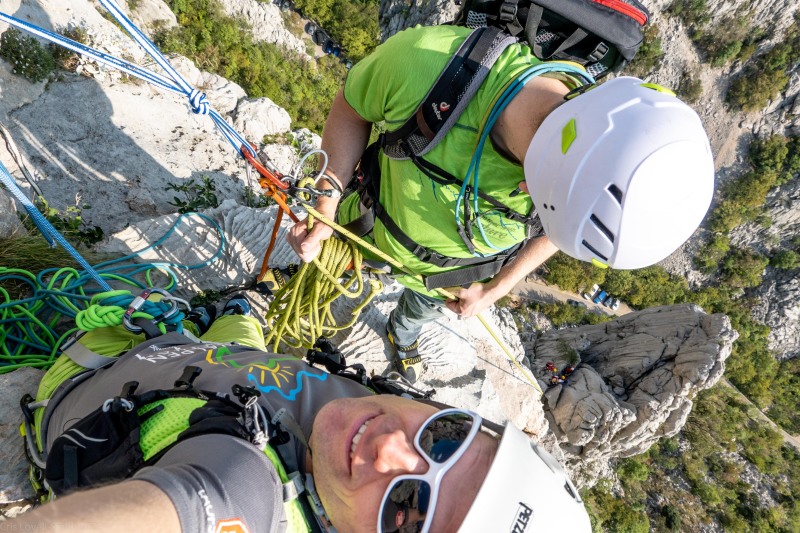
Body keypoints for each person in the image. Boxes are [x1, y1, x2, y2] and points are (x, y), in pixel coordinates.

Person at [287, 24, 715, 385]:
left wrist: (498, 287)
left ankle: (403, 334)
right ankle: (316, 280)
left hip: (448, 280)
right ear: (537, 182)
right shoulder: (426, 64)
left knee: (418, 312)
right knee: (332, 263)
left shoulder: (574, 190)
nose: (527, 200)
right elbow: (352, 108)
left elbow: (557, 230)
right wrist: (327, 202)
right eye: (539, 198)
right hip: (366, 225)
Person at [12, 294, 591, 532]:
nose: (390, 448)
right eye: (447, 438)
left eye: (408, 510)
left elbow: (191, 508)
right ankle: (232, 312)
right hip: (224, 367)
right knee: (242, 319)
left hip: (87, 376)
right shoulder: (369, 425)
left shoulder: (254, 491)